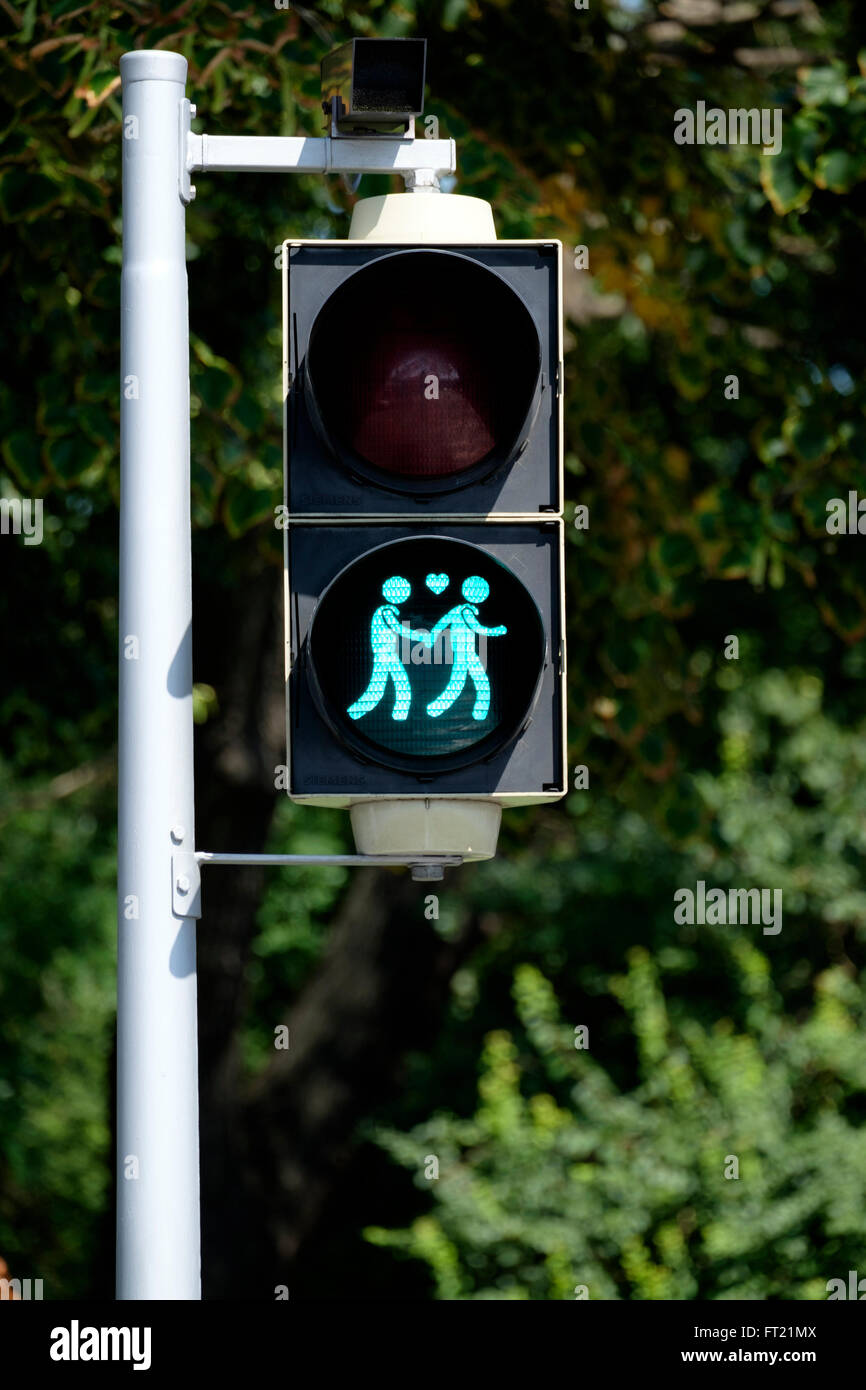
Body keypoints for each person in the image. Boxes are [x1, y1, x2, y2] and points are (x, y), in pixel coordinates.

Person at [347, 576, 431, 722]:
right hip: (384, 654)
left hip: (387, 653)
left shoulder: (386, 610)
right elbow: (398, 628)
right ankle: (356, 713)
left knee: (397, 684)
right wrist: (418, 635)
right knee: (380, 688)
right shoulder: (385, 611)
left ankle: (399, 715)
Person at [426, 576, 507, 722]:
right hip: (466, 652)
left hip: (463, 652)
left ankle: (437, 708)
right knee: (476, 681)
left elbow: (442, 623)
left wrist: (432, 636)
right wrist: (497, 631)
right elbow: (477, 628)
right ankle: (441, 708)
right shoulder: (465, 611)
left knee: (462, 682)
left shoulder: (459, 609)